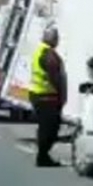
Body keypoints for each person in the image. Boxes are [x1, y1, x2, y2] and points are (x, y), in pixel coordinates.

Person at [29, 24, 67, 167]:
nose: (58, 40)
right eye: (57, 37)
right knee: (50, 127)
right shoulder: (49, 55)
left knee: (46, 126)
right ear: (52, 39)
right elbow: (55, 77)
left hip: (38, 94)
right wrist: (61, 95)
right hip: (46, 96)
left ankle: (43, 155)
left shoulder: (40, 51)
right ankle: (42, 156)